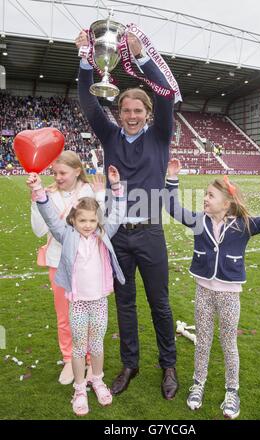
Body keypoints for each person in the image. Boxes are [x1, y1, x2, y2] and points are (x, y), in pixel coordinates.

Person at [75, 30, 178, 399]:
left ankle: (168, 365)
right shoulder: (110, 136)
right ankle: (129, 364)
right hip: (116, 234)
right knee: (125, 302)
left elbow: (166, 93)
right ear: (118, 113)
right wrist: (86, 59)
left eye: (138, 111)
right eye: (126, 111)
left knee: (160, 303)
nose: (131, 116)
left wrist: (142, 58)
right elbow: (88, 105)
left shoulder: (160, 134)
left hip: (150, 232)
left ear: (148, 115)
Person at [165, 159, 260, 419]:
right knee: (204, 340)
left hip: (229, 293)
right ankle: (198, 383)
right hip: (203, 291)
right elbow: (173, 207)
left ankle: (232, 390)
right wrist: (172, 178)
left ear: (227, 203)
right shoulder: (199, 221)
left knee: (228, 342)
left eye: (210, 195)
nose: (205, 199)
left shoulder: (243, 225)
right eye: (206, 194)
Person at [26, 166, 126, 416]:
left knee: (98, 345)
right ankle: (80, 388)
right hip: (79, 303)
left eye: (93, 220)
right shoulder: (66, 236)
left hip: (99, 302)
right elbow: (49, 216)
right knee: (80, 348)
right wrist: (38, 190)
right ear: (73, 220)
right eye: (83, 220)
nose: (89, 225)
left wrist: (116, 188)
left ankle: (98, 380)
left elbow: (118, 213)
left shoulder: (104, 234)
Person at [30, 150, 105, 385]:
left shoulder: (88, 191)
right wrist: (36, 202)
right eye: (55, 173)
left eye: (62, 173)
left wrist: (102, 196)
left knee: (92, 316)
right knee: (64, 317)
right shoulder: (47, 194)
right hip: (58, 261)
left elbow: (102, 224)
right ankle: (69, 361)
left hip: (88, 264)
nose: (58, 177)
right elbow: (39, 231)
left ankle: (91, 362)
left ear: (77, 171)